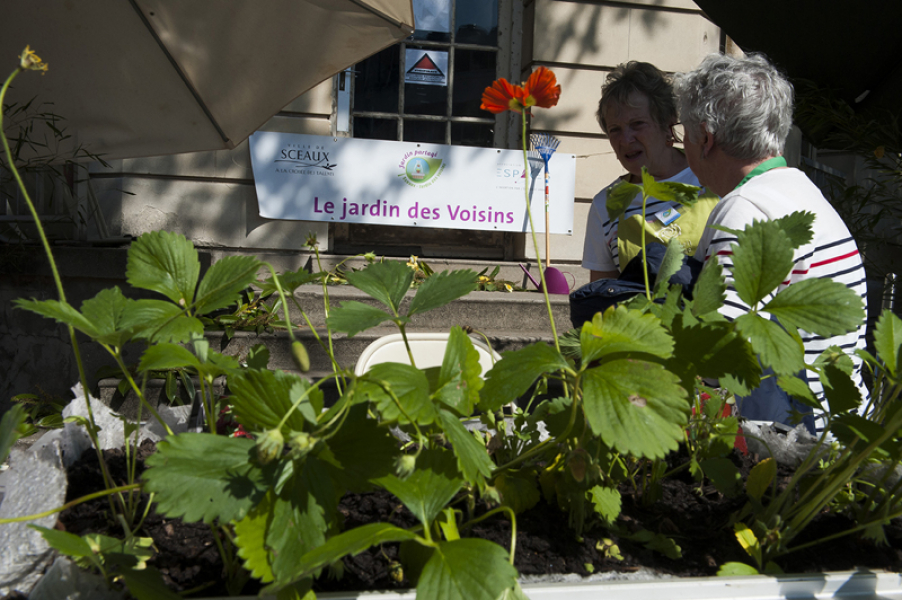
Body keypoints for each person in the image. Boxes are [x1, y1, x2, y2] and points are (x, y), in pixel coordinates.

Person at [674, 53, 868, 430]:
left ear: (706, 138)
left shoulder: (745, 209)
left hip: (793, 441)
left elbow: (720, 353)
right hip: (840, 422)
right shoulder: (799, 189)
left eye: (684, 134)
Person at [581, 62, 712, 282]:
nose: (626, 139)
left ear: (667, 124)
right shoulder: (605, 205)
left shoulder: (710, 180)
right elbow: (603, 298)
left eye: (637, 124)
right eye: (615, 129)